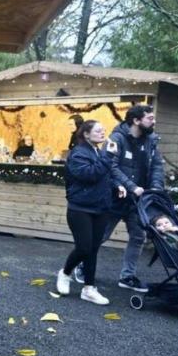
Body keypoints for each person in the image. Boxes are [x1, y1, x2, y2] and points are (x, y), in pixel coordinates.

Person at [74, 105, 163, 292]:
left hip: (138, 200)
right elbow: (111, 167)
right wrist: (131, 187)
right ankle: (82, 266)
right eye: (150, 118)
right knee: (100, 236)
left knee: (138, 236)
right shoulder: (117, 138)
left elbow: (156, 167)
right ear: (136, 121)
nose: (153, 122)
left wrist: (155, 187)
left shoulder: (151, 141)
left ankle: (127, 276)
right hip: (115, 197)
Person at [56, 120, 120, 305]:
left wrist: (118, 186)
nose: (102, 133)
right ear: (86, 134)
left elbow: (104, 177)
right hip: (80, 208)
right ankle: (65, 273)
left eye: (103, 130)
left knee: (93, 249)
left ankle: (89, 289)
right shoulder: (78, 153)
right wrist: (108, 155)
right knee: (84, 247)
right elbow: (89, 175)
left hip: (100, 207)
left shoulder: (98, 152)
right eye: (98, 131)